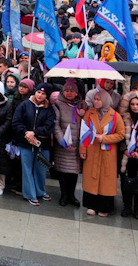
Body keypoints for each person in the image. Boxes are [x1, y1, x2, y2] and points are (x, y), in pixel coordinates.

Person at [80, 90, 125, 217]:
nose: (96, 101)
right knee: (91, 178)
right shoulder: (90, 113)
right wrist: (82, 150)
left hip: (107, 153)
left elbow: (121, 134)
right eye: (95, 99)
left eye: (99, 99)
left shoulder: (115, 116)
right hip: (92, 151)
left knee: (106, 180)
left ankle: (104, 207)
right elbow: (83, 133)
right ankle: (91, 205)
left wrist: (105, 138)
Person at [12, 83, 55, 207]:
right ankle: (30, 194)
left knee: (41, 168)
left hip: (43, 144)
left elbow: (49, 126)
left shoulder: (49, 109)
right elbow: (16, 122)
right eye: (38, 92)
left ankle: (40, 191)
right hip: (26, 143)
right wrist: (26, 133)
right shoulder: (24, 105)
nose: (40, 95)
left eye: (43, 93)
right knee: (26, 169)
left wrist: (35, 133)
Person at [52, 79, 86, 207]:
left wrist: (84, 114)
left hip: (77, 144)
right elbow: (55, 125)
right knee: (62, 170)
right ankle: (64, 194)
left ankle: (72, 194)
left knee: (73, 171)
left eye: (72, 91)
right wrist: (61, 139)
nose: (69, 93)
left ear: (76, 93)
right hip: (63, 144)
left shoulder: (82, 105)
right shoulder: (57, 104)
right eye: (66, 90)